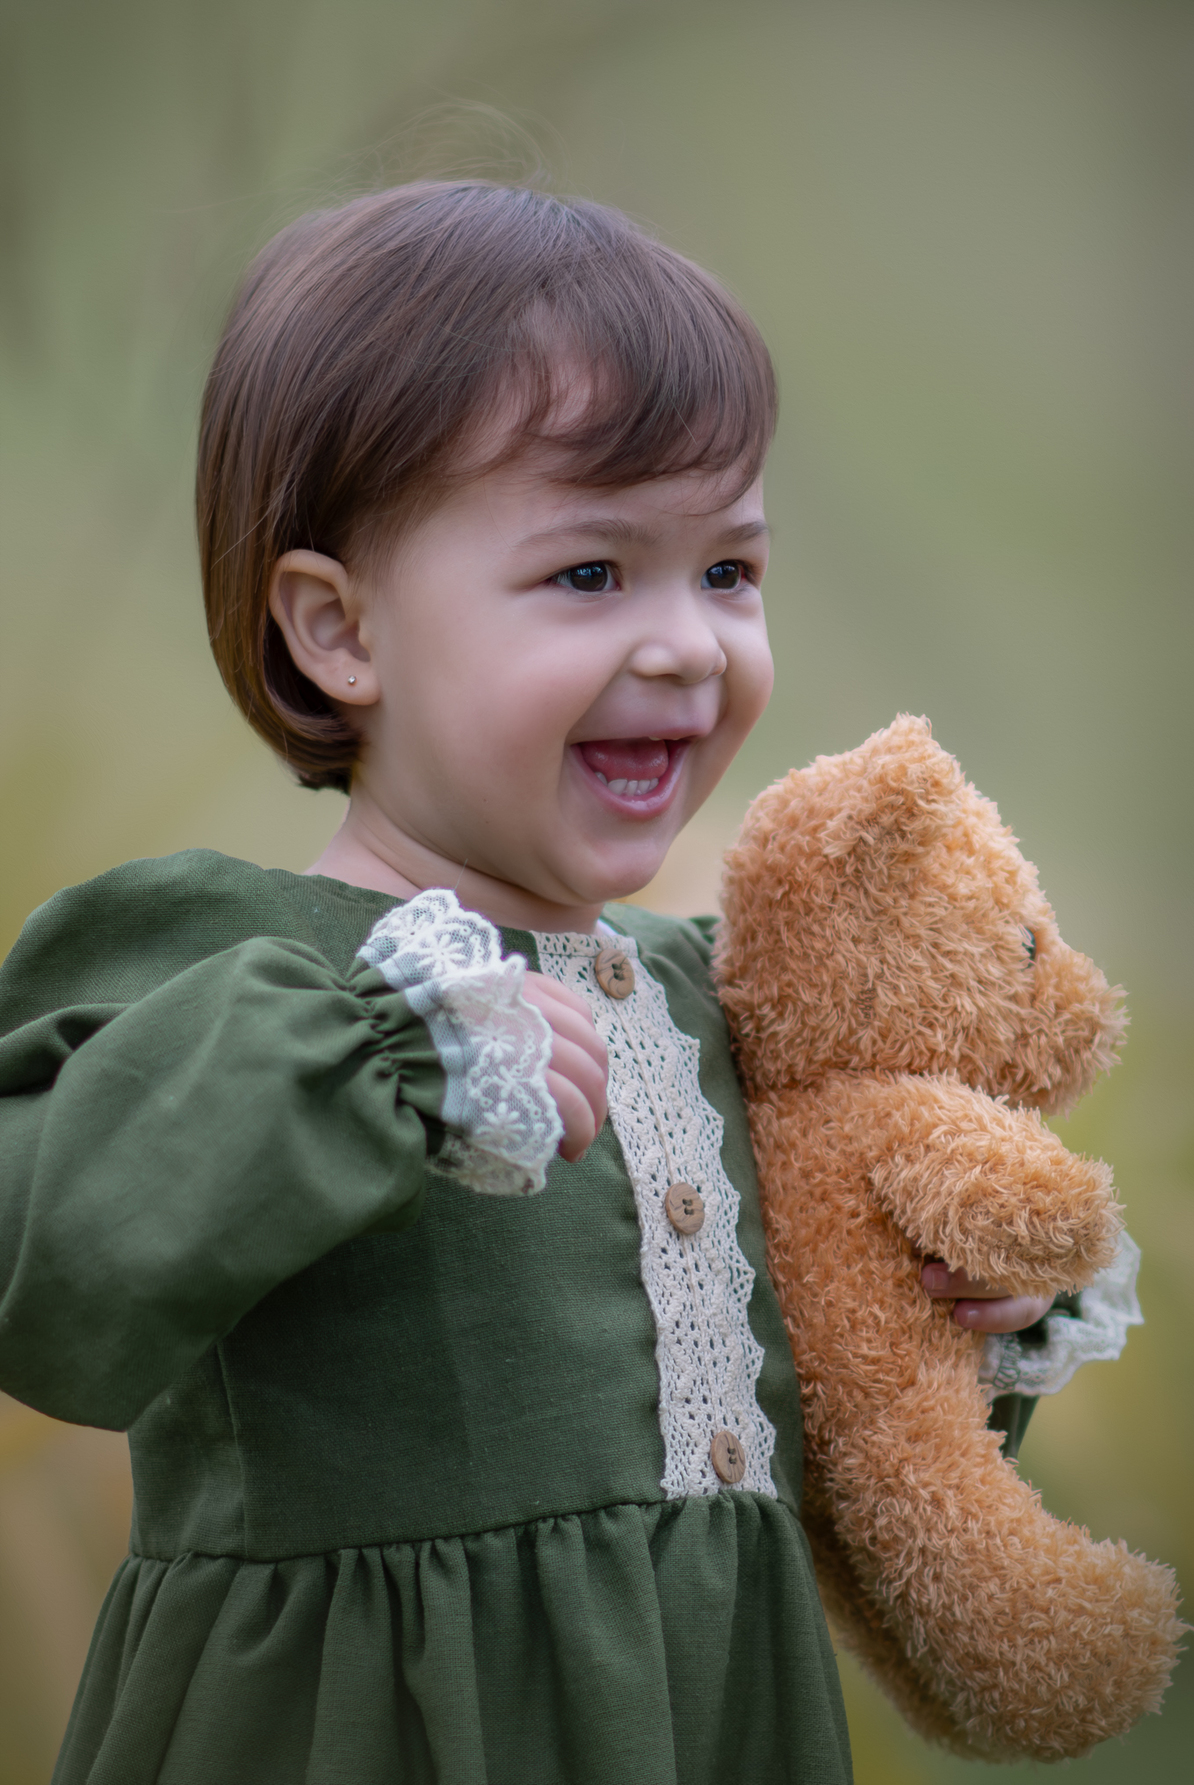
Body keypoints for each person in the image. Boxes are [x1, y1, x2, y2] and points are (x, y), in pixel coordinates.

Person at [0, 182, 1089, 1785]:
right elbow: (53, 1293)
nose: (689, 646)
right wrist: (381, 1050)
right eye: (591, 573)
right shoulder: (243, 968)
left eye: (728, 571)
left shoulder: (728, 1016)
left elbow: (841, 1445)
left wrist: (979, 1318)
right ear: (338, 632)